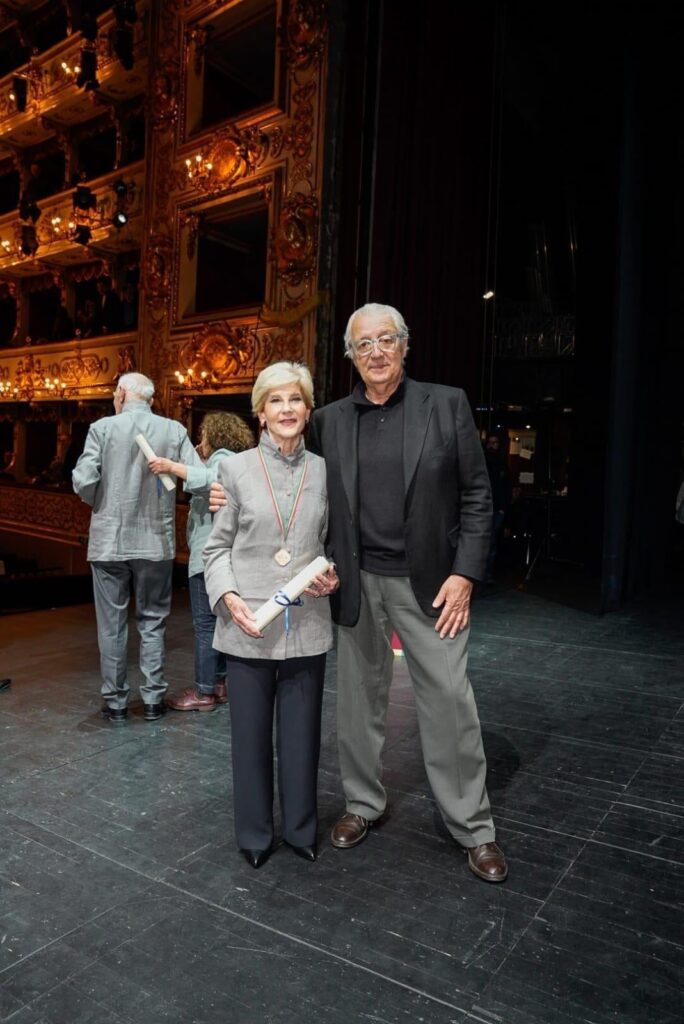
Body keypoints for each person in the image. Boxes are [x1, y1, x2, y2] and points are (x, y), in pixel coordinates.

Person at [307, 302, 507, 883]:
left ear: (404, 345)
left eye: (386, 339)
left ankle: (474, 827)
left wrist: (465, 574)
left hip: (433, 584)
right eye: (363, 344)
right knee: (357, 704)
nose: (375, 351)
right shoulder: (329, 420)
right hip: (354, 581)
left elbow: (477, 495)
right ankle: (361, 803)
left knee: (449, 702)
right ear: (350, 355)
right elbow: (302, 491)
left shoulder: (445, 404)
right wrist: (223, 492)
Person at [203, 362, 339, 869]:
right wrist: (228, 596)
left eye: (296, 400)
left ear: (307, 410)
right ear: (260, 413)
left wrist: (335, 574)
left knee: (303, 739)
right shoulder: (233, 470)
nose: (287, 409)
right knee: (250, 741)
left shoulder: (326, 470)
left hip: (307, 624)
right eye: (276, 401)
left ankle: (303, 829)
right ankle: (255, 836)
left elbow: (334, 541)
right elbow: (215, 548)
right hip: (248, 624)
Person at [72, 372, 200, 724]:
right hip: (155, 541)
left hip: (109, 540)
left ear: (122, 393)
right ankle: (154, 699)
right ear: (151, 398)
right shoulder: (173, 430)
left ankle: (115, 703)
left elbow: (83, 480)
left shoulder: (102, 428)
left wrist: (102, 501)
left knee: (111, 626)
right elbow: (197, 473)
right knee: (153, 622)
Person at [148, 412, 255, 712]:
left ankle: (204, 691)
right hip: (223, 557)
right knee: (218, 622)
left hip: (209, 557)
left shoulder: (223, 458)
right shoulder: (235, 460)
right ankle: (217, 683)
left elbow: (211, 479)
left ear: (215, 436)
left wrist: (171, 466)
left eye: (203, 436)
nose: (200, 443)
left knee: (205, 625)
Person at [483, 433, 512, 583]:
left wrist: (503, 508)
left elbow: (506, 488)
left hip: (497, 508)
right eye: (490, 442)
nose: (492, 445)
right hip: (483, 507)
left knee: (492, 541)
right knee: (483, 540)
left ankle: (488, 573)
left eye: (495, 442)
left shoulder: (502, 463)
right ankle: (482, 573)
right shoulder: (482, 462)